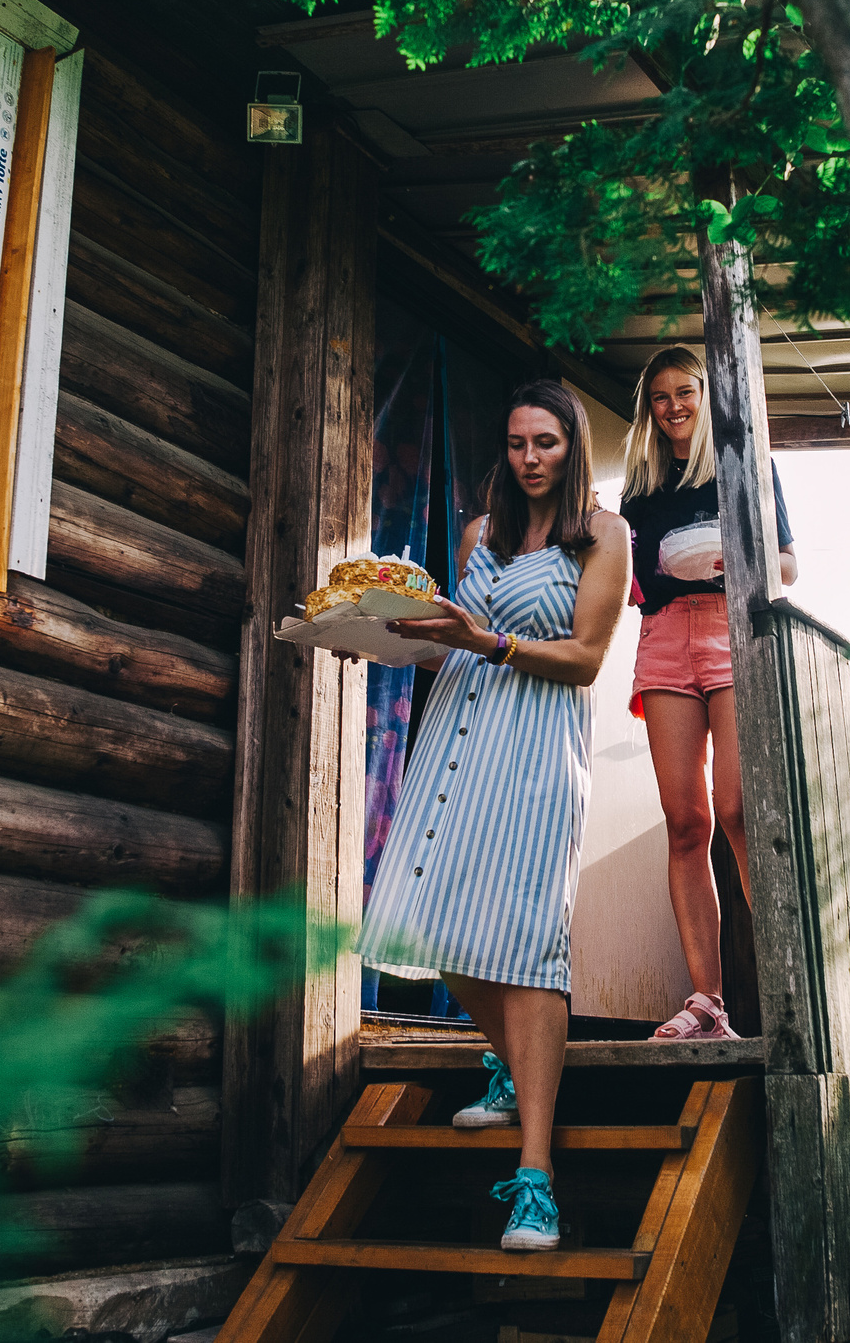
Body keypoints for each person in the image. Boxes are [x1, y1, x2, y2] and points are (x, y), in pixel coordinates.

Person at [353, 379, 631, 1253]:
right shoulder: (479, 533)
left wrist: (494, 643)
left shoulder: (606, 536)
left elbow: (585, 659)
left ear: (572, 445)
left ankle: (537, 1181)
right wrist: (392, 634)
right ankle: (510, 1067)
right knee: (425, 916)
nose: (529, 458)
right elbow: (457, 642)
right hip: (458, 739)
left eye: (544, 442)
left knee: (526, 938)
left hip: (540, 749)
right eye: (516, 444)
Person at [619, 345, 796, 1041]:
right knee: (685, 822)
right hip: (664, 639)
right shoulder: (641, 489)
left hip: (731, 630)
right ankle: (707, 1002)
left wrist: (730, 560)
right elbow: (637, 584)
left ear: (705, 393)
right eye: (659, 397)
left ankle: (789, 986)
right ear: (650, 408)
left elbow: (785, 563)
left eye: (684, 391)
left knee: (740, 809)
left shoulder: (745, 465)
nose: (673, 406)